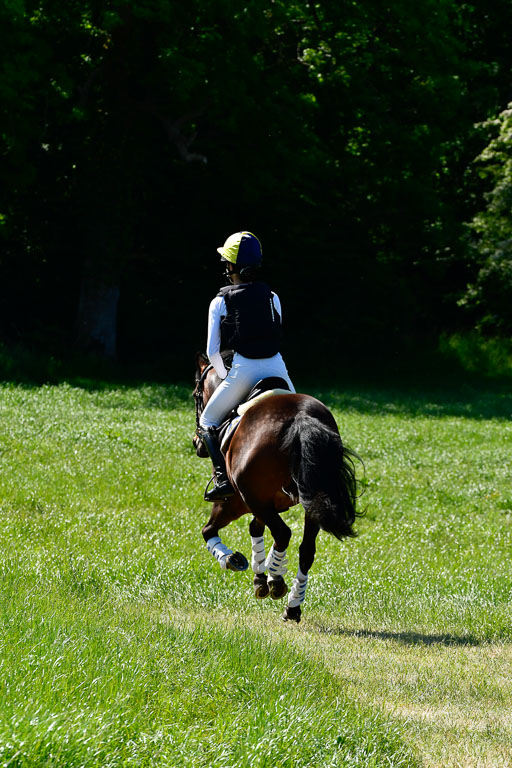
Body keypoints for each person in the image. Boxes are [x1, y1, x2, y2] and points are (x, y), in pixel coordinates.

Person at [197, 231, 295, 502]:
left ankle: (221, 479)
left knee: (207, 421)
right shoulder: (272, 296)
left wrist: (227, 376)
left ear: (231, 267)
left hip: (243, 369)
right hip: (277, 368)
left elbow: (211, 352)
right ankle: (296, 478)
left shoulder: (220, 301)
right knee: (297, 418)